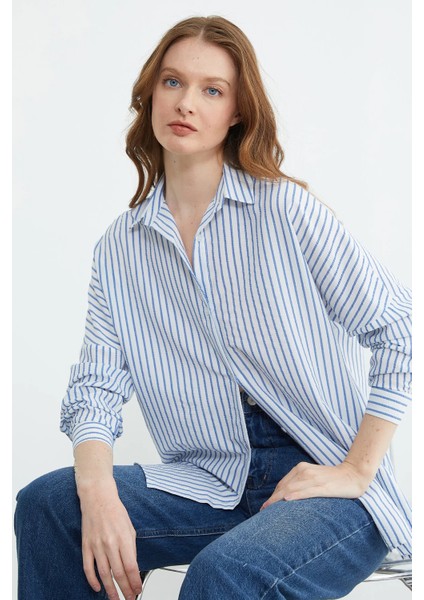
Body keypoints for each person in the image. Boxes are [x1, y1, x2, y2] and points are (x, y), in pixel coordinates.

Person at [15, 15, 411, 600]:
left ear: (237, 112)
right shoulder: (120, 249)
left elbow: (397, 327)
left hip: (325, 482)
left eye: (212, 90)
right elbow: (97, 387)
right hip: (211, 481)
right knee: (49, 506)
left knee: (225, 574)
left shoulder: (285, 211)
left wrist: (357, 470)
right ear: (150, 94)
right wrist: (97, 494)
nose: (187, 103)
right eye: (173, 82)